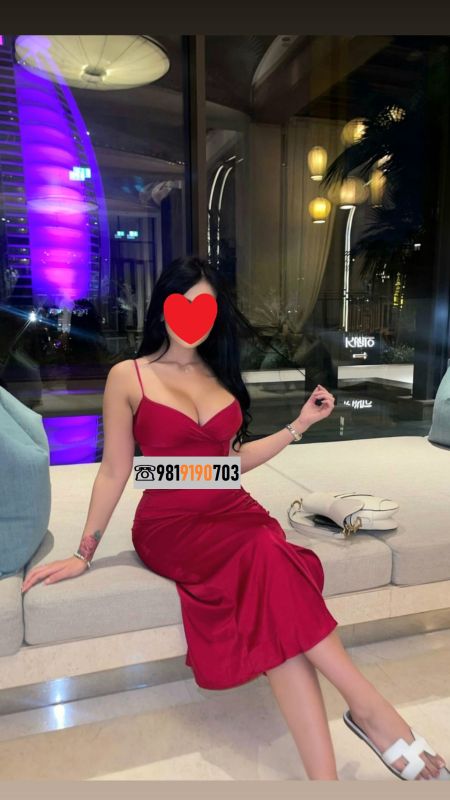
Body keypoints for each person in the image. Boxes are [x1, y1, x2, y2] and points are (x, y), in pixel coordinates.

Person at [21, 257, 449, 782]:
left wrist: (298, 425)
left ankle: (324, 780)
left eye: (206, 306)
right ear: (163, 308)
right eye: (185, 304)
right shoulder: (128, 376)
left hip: (234, 511)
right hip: (171, 525)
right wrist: (83, 553)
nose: (195, 316)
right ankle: (371, 709)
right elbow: (115, 471)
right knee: (265, 556)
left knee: (272, 601)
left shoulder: (219, 374)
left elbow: (229, 463)